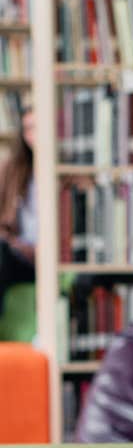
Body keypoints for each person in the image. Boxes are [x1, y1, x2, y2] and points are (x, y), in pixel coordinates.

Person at [0, 101, 36, 314]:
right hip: (18, 255)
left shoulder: (65, 171)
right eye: (29, 128)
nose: (34, 135)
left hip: (56, 257)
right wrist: (21, 247)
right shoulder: (11, 170)